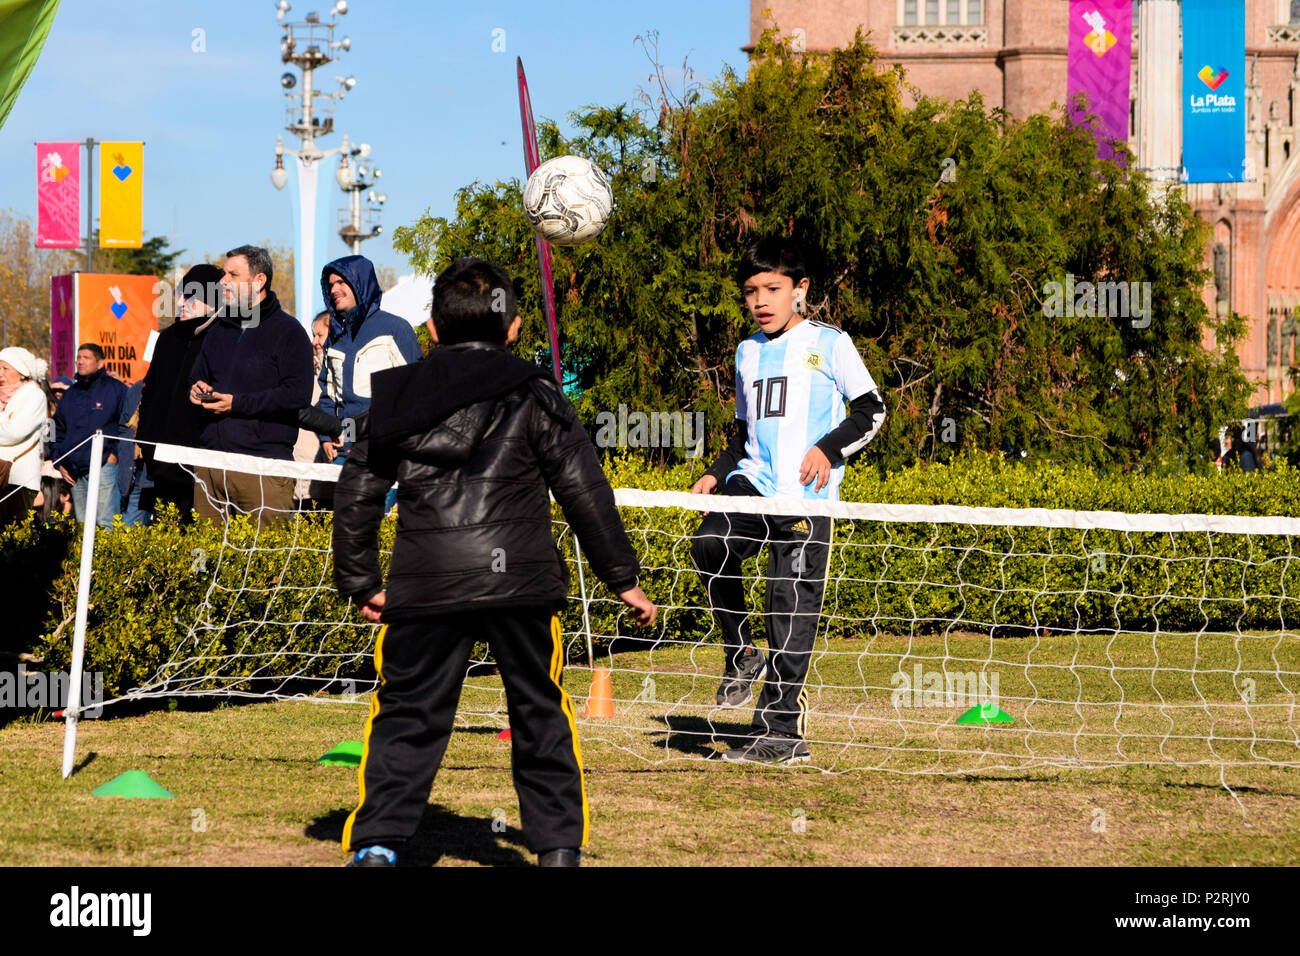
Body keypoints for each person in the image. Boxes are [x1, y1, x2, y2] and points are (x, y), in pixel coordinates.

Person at [331, 257, 656, 868]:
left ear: (430, 327)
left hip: (425, 583)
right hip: (523, 584)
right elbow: (585, 490)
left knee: (406, 713)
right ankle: (558, 849)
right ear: (514, 328)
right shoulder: (537, 393)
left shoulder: (395, 398)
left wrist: (361, 581)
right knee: (540, 711)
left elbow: (357, 493)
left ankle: (378, 843)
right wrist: (624, 580)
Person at [688, 237, 886, 765]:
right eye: (751, 291)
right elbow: (742, 430)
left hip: (804, 497)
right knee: (710, 544)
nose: (761, 300)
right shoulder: (746, 351)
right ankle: (740, 651)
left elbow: (871, 410)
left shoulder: (831, 342)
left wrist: (827, 447)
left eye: (773, 289)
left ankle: (779, 734)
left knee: (789, 612)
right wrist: (716, 470)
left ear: (800, 290)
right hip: (752, 483)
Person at [187, 245, 313, 528]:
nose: (223, 281)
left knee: (266, 566)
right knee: (204, 563)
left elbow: (297, 394)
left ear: (259, 281)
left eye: (233, 274)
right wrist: (196, 389)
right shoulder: (218, 329)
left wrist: (237, 403)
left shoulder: (289, 331)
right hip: (210, 466)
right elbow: (195, 377)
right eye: (224, 274)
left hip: (263, 468)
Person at [313, 255, 422, 506]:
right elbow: (328, 397)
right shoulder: (335, 338)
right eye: (330, 284)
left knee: (374, 531)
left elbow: (415, 393)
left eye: (342, 282)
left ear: (360, 283)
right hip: (343, 455)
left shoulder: (396, 329)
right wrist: (326, 435)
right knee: (345, 532)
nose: (334, 290)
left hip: (386, 456)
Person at [137, 263, 226, 522]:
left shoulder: (224, 337)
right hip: (161, 463)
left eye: (191, 296)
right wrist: (146, 443)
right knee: (166, 545)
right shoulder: (166, 339)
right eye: (180, 294)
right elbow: (150, 394)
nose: (181, 302)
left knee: (199, 549)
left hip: (202, 466)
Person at [50, 343, 128, 528]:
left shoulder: (117, 390)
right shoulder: (70, 395)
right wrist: (59, 461)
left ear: (100, 363)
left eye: (86, 357)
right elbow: (55, 430)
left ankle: (108, 558)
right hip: (74, 471)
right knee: (83, 525)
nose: (80, 361)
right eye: (78, 358)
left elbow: (127, 427)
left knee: (106, 522)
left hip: (104, 466)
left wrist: (114, 455)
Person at [0, 347, 50, 528]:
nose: (0, 373)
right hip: (2, 476)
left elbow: (15, 432)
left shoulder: (34, 395)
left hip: (20, 479)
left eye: (5, 368)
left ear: (21, 372)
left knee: (18, 534)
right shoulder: (2, 396)